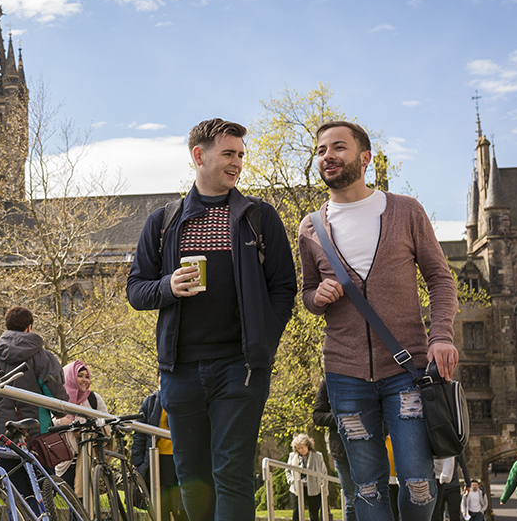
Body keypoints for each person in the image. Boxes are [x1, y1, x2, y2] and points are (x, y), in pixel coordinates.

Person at [127, 118, 298, 521]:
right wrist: (168, 286)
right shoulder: (163, 222)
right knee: (191, 475)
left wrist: (264, 341)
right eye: (228, 154)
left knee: (231, 472)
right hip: (179, 371)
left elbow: (284, 287)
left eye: (240, 154)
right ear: (198, 156)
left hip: (239, 368)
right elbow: (136, 290)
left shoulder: (260, 217)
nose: (237, 162)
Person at [298, 120, 460, 521]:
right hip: (344, 375)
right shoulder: (310, 228)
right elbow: (307, 293)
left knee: (419, 485)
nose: (328, 156)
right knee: (367, 489)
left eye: (339, 147)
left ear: (365, 158)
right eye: (321, 150)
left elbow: (440, 278)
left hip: (406, 370)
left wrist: (441, 335)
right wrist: (316, 298)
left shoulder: (405, 211)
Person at [0, 305, 67, 508]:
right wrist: (62, 412)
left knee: (15, 498)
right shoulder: (43, 357)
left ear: (6, 327)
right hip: (35, 438)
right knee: (43, 496)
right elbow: (56, 397)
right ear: (29, 327)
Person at [133, 376, 187, 521]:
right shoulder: (151, 401)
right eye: (162, 375)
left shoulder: (186, 399)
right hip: (157, 461)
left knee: (181, 509)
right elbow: (139, 432)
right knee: (160, 509)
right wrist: (137, 461)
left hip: (180, 461)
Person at [56, 360, 108, 483]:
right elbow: (50, 422)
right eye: (79, 376)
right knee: (62, 498)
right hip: (63, 457)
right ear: (70, 377)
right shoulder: (58, 398)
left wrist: (88, 429)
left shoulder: (94, 399)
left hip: (89, 455)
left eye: (86, 376)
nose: (84, 380)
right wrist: (63, 423)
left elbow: (107, 423)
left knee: (84, 498)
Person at [313, 380, 357, 521]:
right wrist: (342, 418)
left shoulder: (366, 375)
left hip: (370, 446)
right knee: (351, 500)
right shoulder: (328, 382)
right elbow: (318, 416)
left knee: (373, 495)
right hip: (341, 450)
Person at [286, 433, 328, 521]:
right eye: (298, 448)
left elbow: (324, 473)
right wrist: (292, 481)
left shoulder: (318, 456)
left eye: (302, 447)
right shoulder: (292, 456)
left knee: (313, 513)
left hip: (313, 488)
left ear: (308, 445)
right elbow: (288, 471)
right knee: (296, 513)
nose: (301, 450)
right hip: (296, 488)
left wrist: (324, 488)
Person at [429, 456, 460, 521]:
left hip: (439, 477)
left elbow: (449, 452)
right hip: (427, 474)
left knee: (436, 510)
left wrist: (446, 475)